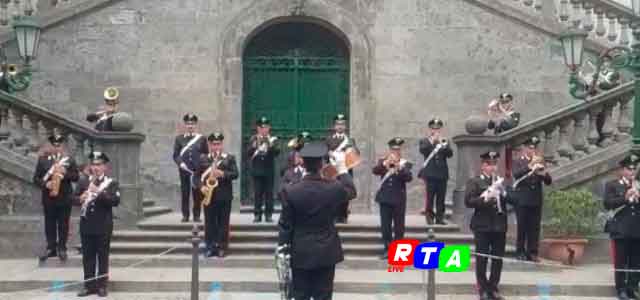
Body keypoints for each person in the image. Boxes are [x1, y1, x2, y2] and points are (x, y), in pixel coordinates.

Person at [278, 141, 356, 300]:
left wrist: (283, 249)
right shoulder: (333, 187)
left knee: (300, 295)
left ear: (303, 164)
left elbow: (285, 224)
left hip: (300, 250)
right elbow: (351, 191)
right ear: (322, 164)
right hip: (326, 250)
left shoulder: (291, 190)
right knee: (324, 296)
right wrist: (342, 168)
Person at [465, 151, 513, 300]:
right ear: (483, 166)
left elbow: (513, 200)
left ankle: (493, 287)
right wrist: (485, 197)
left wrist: (504, 193)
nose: (493, 167)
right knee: (482, 258)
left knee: (497, 258)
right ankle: (483, 288)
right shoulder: (475, 181)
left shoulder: (501, 182)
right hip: (482, 225)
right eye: (489, 164)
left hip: (499, 224)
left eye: (494, 164)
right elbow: (468, 201)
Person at [74, 151, 120, 297]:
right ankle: (89, 286)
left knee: (102, 256)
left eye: (99, 165)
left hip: (103, 225)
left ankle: (101, 286)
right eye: (93, 164)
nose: (96, 167)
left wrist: (98, 192)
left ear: (105, 167)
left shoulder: (111, 183)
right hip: (86, 225)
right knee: (88, 256)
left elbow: (115, 201)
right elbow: (72, 199)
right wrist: (79, 199)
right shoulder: (83, 181)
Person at [32, 134, 79, 262]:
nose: (57, 147)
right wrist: (45, 183)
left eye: (59, 145)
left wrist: (65, 173)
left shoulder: (69, 160)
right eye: (54, 145)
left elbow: (76, 177)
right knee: (50, 223)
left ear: (63, 146)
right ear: (51, 145)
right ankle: (51, 248)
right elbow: (36, 178)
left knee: (63, 223)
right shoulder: (43, 160)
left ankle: (62, 248)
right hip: (49, 197)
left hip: (65, 196)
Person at [604, 154, 640, 300]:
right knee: (621, 261)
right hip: (620, 229)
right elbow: (607, 204)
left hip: (637, 229)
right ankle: (621, 289)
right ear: (622, 170)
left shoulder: (638, 184)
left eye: (634, 169)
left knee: (636, 261)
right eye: (629, 169)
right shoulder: (612, 185)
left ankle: (632, 287)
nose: (631, 172)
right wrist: (624, 198)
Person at [512, 136, 552, 262]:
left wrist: (544, 173)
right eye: (530, 147)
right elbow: (516, 175)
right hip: (522, 199)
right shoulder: (518, 161)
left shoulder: (540, 161)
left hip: (536, 199)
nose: (532, 150)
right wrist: (530, 166)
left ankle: (533, 252)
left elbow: (548, 181)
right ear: (524, 148)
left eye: (534, 147)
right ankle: (520, 251)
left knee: (534, 227)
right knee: (522, 226)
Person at [199, 132, 238, 258]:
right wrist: (201, 187)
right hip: (208, 196)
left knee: (223, 222)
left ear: (222, 144)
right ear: (210, 145)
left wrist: (222, 174)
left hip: (224, 196)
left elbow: (235, 174)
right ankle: (210, 247)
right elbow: (195, 177)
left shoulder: (229, 158)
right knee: (209, 222)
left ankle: (222, 247)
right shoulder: (203, 158)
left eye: (219, 144)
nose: (216, 147)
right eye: (214, 144)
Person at [373, 137, 413, 259]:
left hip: (399, 199)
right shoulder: (383, 161)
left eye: (398, 149)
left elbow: (408, 178)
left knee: (399, 227)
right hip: (385, 198)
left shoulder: (405, 163)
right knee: (385, 226)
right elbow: (375, 171)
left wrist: (398, 168)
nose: (395, 151)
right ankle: (387, 249)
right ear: (390, 150)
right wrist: (385, 164)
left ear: (401, 150)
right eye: (393, 149)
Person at [172, 113, 208, 223]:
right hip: (184, 170)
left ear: (195, 125)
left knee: (197, 194)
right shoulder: (179, 139)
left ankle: (196, 215)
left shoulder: (201, 139)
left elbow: (205, 154)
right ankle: (185, 215)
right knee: (185, 193)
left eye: (192, 124)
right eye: (188, 124)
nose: (190, 126)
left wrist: (202, 166)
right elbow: (176, 155)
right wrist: (180, 163)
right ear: (185, 125)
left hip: (197, 171)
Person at [418, 118, 453, 225]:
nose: (436, 130)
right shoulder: (424, 141)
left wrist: (444, 144)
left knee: (441, 197)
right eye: (433, 128)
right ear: (430, 129)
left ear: (440, 129)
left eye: (438, 128)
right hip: (430, 173)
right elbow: (423, 150)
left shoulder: (445, 141)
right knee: (430, 197)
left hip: (442, 173)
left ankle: (439, 218)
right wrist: (433, 141)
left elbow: (450, 154)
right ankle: (429, 217)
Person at [326, 113, 359, 223]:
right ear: (334, 126)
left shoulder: (350, 140)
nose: (340, 126)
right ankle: (334, 215)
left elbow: (356, 154)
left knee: (345, 192)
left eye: (342, 124)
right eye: (338, 124)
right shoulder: (329, 139)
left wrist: (351, 151)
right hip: (333, 170)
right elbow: (324, 154)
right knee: (333, 192)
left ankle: (343, 215)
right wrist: (328, 154)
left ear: (345, 126)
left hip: (346, 170)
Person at [248, 116, 280, 223]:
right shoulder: (253, 139)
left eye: (265, 127)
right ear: (258, 128)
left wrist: (270, 144)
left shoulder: (273, 139)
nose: (263, 129)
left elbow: (277, 152)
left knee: (269, 194)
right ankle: (257, 214)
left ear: (269, 128)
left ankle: (269, 215)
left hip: (269, 170)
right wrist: (253, 146)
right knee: (258, 193)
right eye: (261, 127)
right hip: (257, 171)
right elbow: (248, 153)